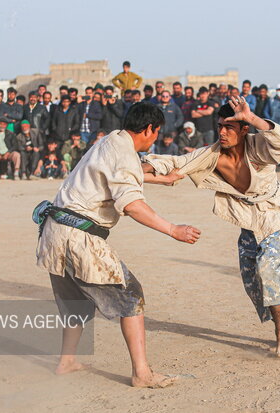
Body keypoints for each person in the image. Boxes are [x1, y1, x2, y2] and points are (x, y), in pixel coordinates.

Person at [34, 102, 200, 387]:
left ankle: (67, 361)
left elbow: (119, 172)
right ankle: (141, 373)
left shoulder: (110, 139)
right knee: (131, 295)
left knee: (76, 302)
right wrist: (173, 229)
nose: (155, 137)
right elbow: (132, 205)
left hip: (55, 232)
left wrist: (161, 178)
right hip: (79, 236)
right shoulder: (123, 152)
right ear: (149, 128)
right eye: (155, 132)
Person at [143, 96, 280, 357]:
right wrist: (131, 170)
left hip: (279, 218)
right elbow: (174, 165)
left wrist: (252, 118)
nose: (222, 132)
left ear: (243, 129)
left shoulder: (259, 147)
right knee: (253, 282)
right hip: (249, 224)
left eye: (229, 127)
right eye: (220, 126)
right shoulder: (210, 155)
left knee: (266, 270)